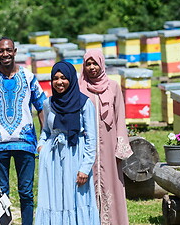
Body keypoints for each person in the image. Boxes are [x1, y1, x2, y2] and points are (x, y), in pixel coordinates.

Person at [0, 37, 46, 225]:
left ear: (15, 51)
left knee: (26, 192)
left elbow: (41, 106)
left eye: (9, 50)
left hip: (26, 143)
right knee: (1, 192)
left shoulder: (29, 77)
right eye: (1, 51)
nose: (5, 54)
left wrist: (44, 138)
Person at [35, 61, 100, 225]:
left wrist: (85, 168)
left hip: (75, 156)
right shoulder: (48, 104)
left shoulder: (84, 103)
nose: (59, 82)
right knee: (55, 198)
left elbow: (91, 139)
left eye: (63, 78)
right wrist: (41, 147)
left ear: (71, 78)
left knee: (76, 198)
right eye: (55, 78)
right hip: (53, 159)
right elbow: (46, 131)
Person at [79, 49, 133, 225]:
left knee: (111, 182)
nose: (92, 67)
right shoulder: (79, 87)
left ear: (102, 64)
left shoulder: (114, 86)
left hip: (109, 146)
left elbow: (120, 118)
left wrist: (121, 145)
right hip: (86, 145)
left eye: (95, 63)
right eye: (88, 63)